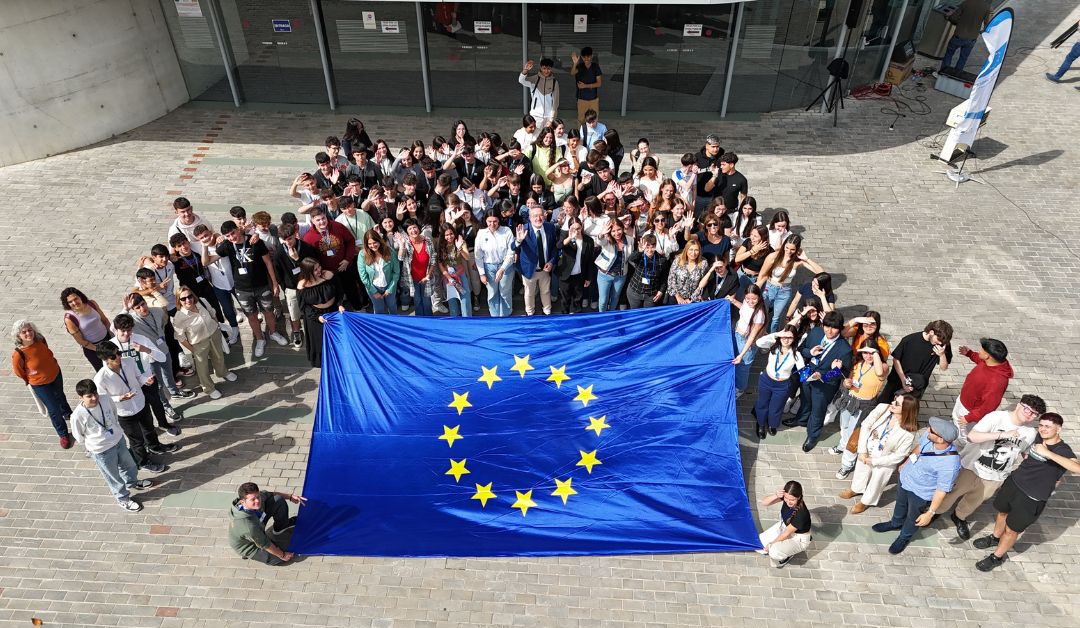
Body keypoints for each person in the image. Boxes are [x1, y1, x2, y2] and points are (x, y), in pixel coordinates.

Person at [972, 413, 1078, 571]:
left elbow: (1077, 468)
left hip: (1032, 497)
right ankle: (995, 538)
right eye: (1041, 425)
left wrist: (1048, 453)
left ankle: (997, 557)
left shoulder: (1063, 450)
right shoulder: (1037, 438)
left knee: (1011, 529)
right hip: (1014, 483)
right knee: (1002, 513)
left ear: (1059, 429)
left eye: (1048, 426)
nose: (1042, 429)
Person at [937, 395, 1046, 541]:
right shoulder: (996, 417)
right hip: (972, 466)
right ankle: (935, 511)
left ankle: (959, 516)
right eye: (1027, 409)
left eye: (1034, 413)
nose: (1029, 414)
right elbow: (972, 437)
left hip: (996, 475)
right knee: (952, 492)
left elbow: (1024, 452)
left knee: (975, 500)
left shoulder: (1030, 433)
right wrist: (1002, 435)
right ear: (1019, 405)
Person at [871, 416, 961, 555]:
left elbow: (941, 490)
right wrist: (906, 462)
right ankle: (895, 523)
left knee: (913, 517)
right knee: (900, 505)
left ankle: (904, 537)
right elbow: (919, 448)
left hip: (921, 493)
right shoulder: (929, 436)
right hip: (906, 479)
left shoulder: (950, 464)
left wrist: (930, 514)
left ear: (941, 439)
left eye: (931, 430)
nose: (927, 431)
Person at [205, 221, 289, 357]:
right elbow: (207, 261)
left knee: (268, 312)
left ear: (238, 230)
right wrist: (204, 246)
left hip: (262, 286)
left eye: (232, 233)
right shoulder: (227, 246)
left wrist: (274, 283)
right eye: (228, 235)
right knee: (252, 316)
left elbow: (268, 262)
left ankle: (273, 333)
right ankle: (260, 338)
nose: (231, 237)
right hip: (242, 290)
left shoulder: (255, 241)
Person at [70, 379, 154, 512]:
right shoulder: (78, 415)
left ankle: (132, 482)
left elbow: (114, 413)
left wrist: (115, 430)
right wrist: (95, 442)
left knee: (130, 465)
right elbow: (78, 435)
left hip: (117, 440)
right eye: (89, 396)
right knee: (113, 476)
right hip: (101, 449)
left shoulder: (105, 399)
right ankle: (123, 499)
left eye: (95, 393)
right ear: (81, 397)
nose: (94, 398)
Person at [92, 342, 177, 473]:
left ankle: (155, 446)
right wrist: (120, 398)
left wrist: (145, 380)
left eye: (118, 353)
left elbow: (138, 376)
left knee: (149, 428)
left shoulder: (129, 361)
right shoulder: (100, 378)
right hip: (125, 412)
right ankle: (143, 461)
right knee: (136, 440)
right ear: (105, 359)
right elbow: (104, 399)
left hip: (140, 402)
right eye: (114, 357)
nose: (118, 358)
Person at [839, 392, 920, 514]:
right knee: (861, 470)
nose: (892, 403)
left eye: (897, 404)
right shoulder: (883, 408)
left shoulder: (909, 432)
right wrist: (862, 451)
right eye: (894, 400)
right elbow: (866, 425)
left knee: (877, 481)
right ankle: (856, 489)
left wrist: (875, 461)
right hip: (868, 449)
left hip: (885, 459)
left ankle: (866, 501)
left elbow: (899, 455)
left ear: (906, 410)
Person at [786, 311, 852, 452]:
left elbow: (843, 374)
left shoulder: (845, 349)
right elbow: (800, 349)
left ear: (840, 329)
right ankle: (801, 419)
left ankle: (813, 436)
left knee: (818, 410)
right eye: (826, 326)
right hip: (807, 374)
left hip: (825, 385)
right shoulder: (815, 332)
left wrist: (829, 373)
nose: (829, 330)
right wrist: (810, 353)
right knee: (804, 399)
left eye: (833, 328)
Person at [110, 314, 185, 437]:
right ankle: (148, 434)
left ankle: (164, 424)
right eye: (122, 331)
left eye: (129, 330)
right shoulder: (111, 345)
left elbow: (161, 357)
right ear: (116, 330)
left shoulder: (141, 339)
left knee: (157, 404)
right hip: (129, 384)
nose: (126, 334)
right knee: (141, 411)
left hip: (148, 380)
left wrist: (147, 350)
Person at [11, 320, 74, 449]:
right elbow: (19, 372)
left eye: (30, 330)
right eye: (24, 332)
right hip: (40, 384)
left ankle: (67, 413)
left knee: (60, 396)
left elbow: (47, 354)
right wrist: (32, 377)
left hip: (55, 374)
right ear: (19, 335)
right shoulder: (19, 354)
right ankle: (63, 434)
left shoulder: (40, 340)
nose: (28, 333)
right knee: (53, 409)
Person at [172, 287, 237, 400]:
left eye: (189, 296)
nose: (188, 300)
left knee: (219, 356)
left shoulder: (202, 301)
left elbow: (213, 313)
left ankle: (222, 372)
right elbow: (180, 337)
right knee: (202, 368)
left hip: (213, 335)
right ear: (179, 301)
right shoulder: (179, 317)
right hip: (198, 343)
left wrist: (216, 326)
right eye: (183, 298)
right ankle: (208, 388)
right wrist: (193, 349)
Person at [829, 341, 887, 458]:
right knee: (844, 426)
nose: (868, 356)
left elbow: (880, 372)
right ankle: (843, 445)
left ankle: (848, 457)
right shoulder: (857, 363)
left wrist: (875, 353)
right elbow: (849, 383)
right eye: (865, 352)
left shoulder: (883, 366)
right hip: (849, 399)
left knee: (854, 431)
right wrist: (847, 384)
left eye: (871, 353)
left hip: (864, 404)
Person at [755, 235, 823, 333]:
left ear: (797, 249)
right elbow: (762, 274)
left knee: (776, 318)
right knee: (762, 313)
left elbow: (821, 272)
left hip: (784, 291)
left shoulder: (797, 261)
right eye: (786, 247)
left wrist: (806, 259)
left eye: (792, 249)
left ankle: (772, 336)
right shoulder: (773, 256)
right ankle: (759, 332)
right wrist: (757, 288)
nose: (788, 251)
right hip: (769, 288)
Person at [875, 320, 953, 403]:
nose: (940, 343)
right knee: (883, 405)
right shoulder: (909, 340)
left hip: (917, 386)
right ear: (931, 332)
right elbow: (896, 359)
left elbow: (944, 368)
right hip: (897, 380)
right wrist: (903, 380)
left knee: (907, 413)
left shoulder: (942, 345)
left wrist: (942, 355)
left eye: (943, 342)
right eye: (938, 339)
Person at [229, 482, 306, 565]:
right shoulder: (248, 526)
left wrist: (290, 497)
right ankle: (248, 554)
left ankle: (280, 527)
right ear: (242, 502)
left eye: (258, 496)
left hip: (258, 523)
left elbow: (271, 494)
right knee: (280, 555)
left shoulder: (256, 499)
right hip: (250, 545)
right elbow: (265, 544)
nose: (257, 501)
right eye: (253, 499)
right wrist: (282, 555)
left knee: (277, 500)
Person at [952, 338, 1013, 439]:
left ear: (988, 356)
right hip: (963, 401)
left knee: (964, 436)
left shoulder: (997, 382)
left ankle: (960, 449)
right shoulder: (990, 362)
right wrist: (969, 353)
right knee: (956, 421)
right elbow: (979, 359)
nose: (979, 350)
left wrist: (969, 418)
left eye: (982, 349)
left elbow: (988, 406)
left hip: (969, 412)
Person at [753, 326, 805, 439]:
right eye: (784, 337)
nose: (786, 340)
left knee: (776, 407)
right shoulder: (773, 346)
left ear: (794, 339)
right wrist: (776, 334)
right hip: (766, 380)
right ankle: (761, 424)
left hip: (782, 385)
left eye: (790, 337)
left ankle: (772, 424)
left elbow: (803, 372)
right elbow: (758, 342)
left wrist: (820, 375)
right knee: (762, 404)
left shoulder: (796, 354)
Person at [273, 223, 320, 348]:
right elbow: (279, 274)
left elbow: (312, 267)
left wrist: (297, 260)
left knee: (312, 310)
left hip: (308, 285)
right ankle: (296, 331)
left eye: (290, 239)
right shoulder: (279, 253)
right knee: (294, 313)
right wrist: (286, 288)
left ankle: (313, 331)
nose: (288, 242)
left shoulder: (306, 248)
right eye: (285, 240)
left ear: (295, 235)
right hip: (291, 289)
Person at [297, 258, 348, 367]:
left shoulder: (329, 276)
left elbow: (339, 291)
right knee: (320, 341)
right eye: (315, 269)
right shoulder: (303, 286)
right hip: (315, 317)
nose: (319, 270)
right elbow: (304, 307)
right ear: (307, 272)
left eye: (319, 267)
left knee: (336, 339)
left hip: (333, 312)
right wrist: (317, 317)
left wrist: (339, 304)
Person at [756, 481, 812, 568]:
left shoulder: (802, 514)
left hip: (798, 539)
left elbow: (786, 533)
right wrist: (776, 495)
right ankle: (784, 549)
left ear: (799, 497)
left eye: (792, 500)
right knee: (760, 542)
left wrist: (771, 545)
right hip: (785, 527)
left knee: (773, 551)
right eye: (786, 498)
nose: (788, 502)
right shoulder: (786, 498)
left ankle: (786, 556)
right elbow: (764, 503)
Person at [474, 210, 516, 317]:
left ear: (499, 220)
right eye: (489, 221)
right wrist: (482, 274)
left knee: (505, 292)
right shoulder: (481, 233)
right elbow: (478, 255)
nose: (492, 224)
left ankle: (506, 315)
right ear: (486, 221)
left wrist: (502, 269)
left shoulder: (506, 231)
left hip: (505, 266)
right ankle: (495, 316)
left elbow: (511, 252)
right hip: (489, 267)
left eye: (495, 221)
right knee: (492, 293)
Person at [61, 287, 112, 371]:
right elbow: (80, 340)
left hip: (107, 340)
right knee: (104, 371)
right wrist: (99, 349)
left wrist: (112, 335)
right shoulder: (69, 318)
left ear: (80, 296)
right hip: (93, 349)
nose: (74, 303)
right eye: (70, 302)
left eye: (75, 298)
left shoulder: (92, 304)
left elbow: (105, 320)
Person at [731, 284, 768, 397]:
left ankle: (740, 389)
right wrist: (733, 301)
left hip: (747, 341)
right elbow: (743, 308)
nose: (750, 301)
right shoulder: (746, 303)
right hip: (737, 334)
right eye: (748, 298)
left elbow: (752, 336)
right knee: (737, 363)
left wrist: (742, 355)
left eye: (754, 299)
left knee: (743, 366)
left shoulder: (759, 314)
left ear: (759, 297)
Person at [397, 219, 438, 317]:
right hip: (412, 279)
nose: (413, 230)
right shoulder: (406, 243)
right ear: (407, 232)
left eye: (414, 227)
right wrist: (402, 245)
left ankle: (429, 320)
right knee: (417, 300)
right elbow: (400, 257)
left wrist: (428, 275)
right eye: (410, 228)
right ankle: (420, 320)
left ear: (418, 228)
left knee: (427, 301)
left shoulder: (427, 241)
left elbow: (433, 259)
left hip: (426, 277)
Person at [940, 0, 993, 75]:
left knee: (949, 54)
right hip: (972, 38)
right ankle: (955, 76)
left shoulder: (966, 2)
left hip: (959, 35)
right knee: (963, 59)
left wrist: (948, 16)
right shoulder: (988, 7)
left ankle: (943, 74)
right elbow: (987, 24)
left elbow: (954, 18)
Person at [555, 216, 595, 314]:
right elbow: (558, 246)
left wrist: (588, 278)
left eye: (578, 228)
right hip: (565, 275)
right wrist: (569, 238)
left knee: (578, 300)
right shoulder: (565, 237)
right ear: (569, 228)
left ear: (581, 227)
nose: (576, 231)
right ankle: (564, 318)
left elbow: (590, 261)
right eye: (573, 228)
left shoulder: (588, 240)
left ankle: (577, 318)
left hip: (580, 275)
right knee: (565, 300)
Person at [593, 218, 633, 313]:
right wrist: (602, 233)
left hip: (621, 275)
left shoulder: (630, 239)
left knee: (615, 299)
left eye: (619, 229)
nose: (616, 233)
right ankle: (602, 316)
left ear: (623, 229)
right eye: (613, 231)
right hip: (604, 275)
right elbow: (599, 242)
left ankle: (611, 315)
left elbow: (630, 257)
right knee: (603, 301)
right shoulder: (606, 239)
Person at [357, 229, 401, 315]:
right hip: (373, 287)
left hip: (389, 286)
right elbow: (363, 276)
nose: (372, 246)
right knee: (379, 309)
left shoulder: (390, 251)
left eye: (374, 242)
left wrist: (390, 289)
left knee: (392, 306)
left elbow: (396, 272)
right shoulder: (362, 254)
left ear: (379, 240)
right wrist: (374, 291)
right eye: (369, 244)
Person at [625, 234, 669, 309]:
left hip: (651, 294)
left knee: (648, 314)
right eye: (647, 247)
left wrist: (661, 291)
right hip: (635, 291)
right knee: (635, 314)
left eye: (652, 247)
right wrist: (639, 251)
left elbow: (664, 277)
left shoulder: (662, 260)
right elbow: (631, 259)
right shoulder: (640, 255)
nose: (650, 250)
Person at [437, 224, 472, 317]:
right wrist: (448, 277)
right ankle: (454, 318)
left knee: (465, 295)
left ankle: (467, 318)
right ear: (443, 236)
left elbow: (467, 257)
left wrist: (460, 249)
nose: (449, 237)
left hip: (460, 272)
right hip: (448, 274)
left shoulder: (460, 242)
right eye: (446, 235)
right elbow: (440, 263)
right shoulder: (441, 245)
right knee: (452, 297)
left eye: (451, 233)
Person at [666, 237, 708, 304]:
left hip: (693, 300)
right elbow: (671, 279)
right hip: (676, 298)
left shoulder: (703, 263)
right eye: (691, 249)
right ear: (686, 250)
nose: (693, 253)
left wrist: (691, 299)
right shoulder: (678, 260)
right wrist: (678, 297)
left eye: (696, 250)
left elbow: (702, 284)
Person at [570, 48, 602, 124]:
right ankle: (581, 135)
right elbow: (572, 73)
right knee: (581, 119)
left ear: (592, 56)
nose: (586, 59)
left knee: (594, 119)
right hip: (582, 99)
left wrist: (585, 86)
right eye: (584, 57)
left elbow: (599, 83)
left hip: (593, 99)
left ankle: (594, 135)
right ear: (581, 57)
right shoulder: (580, 66)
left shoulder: (595, 67)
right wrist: (575, 63)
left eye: (588, 56)